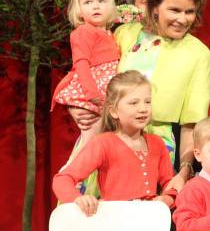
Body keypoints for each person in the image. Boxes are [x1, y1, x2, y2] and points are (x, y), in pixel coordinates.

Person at [70, 0, 210, 193]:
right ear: (155, 6)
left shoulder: (198, 53)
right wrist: (75, 108)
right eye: (174, 10)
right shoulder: (124, 33)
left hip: (155, 150)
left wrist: (185, 171)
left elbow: (191, 124)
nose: (182, 19)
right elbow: (86, 73)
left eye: (190, 12)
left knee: (143, 222)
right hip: (104, 138)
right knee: (89, 216)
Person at [53, 71, 176, 216]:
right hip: (115, 222)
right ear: (114, 111)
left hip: (150, 222)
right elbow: (62, 180)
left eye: (147, 101)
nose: (143, 108)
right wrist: (78, 199)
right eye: (133, 103)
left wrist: (166, 199)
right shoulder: (103, 143)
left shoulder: (157, 143)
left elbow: (170, 183)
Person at [51, 0, 120, 153]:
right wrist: (92, 94)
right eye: (88, 2)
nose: (95, 6)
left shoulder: (109, 32)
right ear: (79, 11)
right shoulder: (82, 32)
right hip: (93, 90)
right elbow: (81, 64)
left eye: (101, 1)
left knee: (104, 140)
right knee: (91, 141)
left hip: (107, 90)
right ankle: (73, 177)